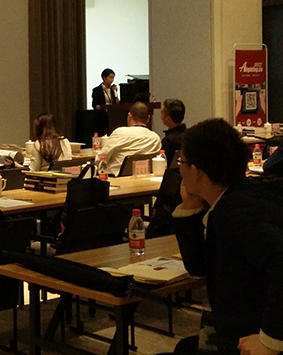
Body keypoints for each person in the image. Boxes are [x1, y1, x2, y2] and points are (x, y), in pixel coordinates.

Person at [173, 118, 283, 355]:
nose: (178, 169)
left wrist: (270, 340)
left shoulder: (236, 214)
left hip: (252, 331)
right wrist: (190, 206)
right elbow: (200, 266)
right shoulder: (241, 196)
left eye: (181, 162)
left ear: (196, 171)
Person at [95, 101, 161, 176]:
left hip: (116, 179)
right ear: (148, 118)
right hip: (145, 179)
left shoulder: (119, 133)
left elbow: (101, 159)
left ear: (129, 116)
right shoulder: (155, 138)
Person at [160, 98, 186, 167]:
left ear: (168, 119)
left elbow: (164, 165)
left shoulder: (168, 141)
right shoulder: (190, 135)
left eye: (162, 113)